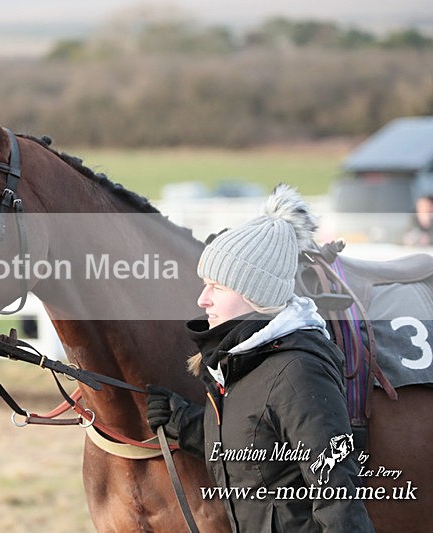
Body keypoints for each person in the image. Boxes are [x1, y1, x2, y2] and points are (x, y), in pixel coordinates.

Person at [146, 184, 373, 532]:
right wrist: (184, 424)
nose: (203, 299)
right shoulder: (242, 363)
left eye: (218, 286)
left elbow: (339, 498)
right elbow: (257, 447)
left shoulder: (298, 372)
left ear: (257, 295)